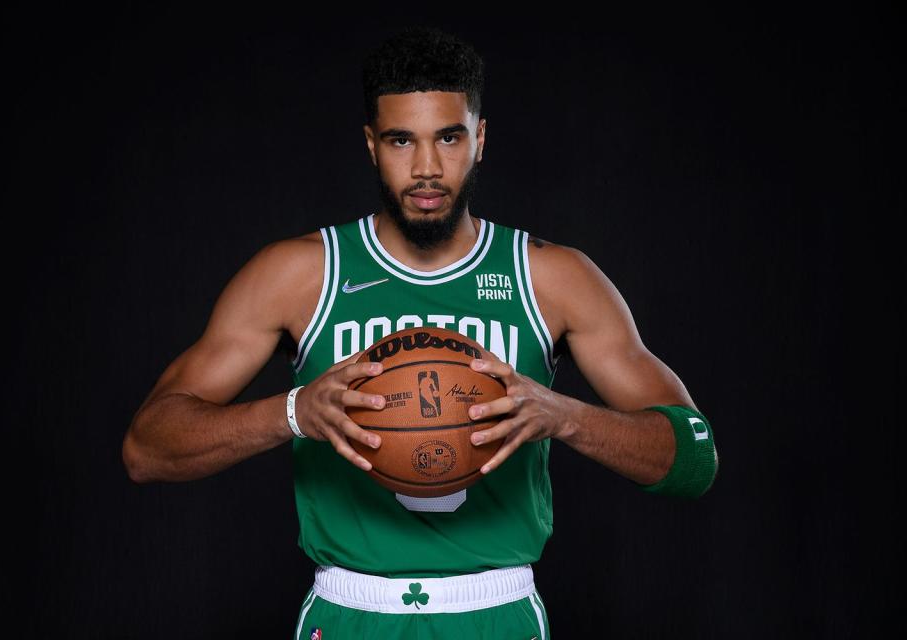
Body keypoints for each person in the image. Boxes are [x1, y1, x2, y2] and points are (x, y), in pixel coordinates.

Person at [122, 26, 718, 640]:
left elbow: (696, 457)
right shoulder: (299, 275)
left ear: (480, 139)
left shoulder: (550, 277)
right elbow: (147, 448)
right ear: (371, 145)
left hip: (498, 611)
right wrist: (296, 412)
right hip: (350, 610)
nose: (427, 168)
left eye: (449, 137)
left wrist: (561, 414)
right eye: (402, 140)